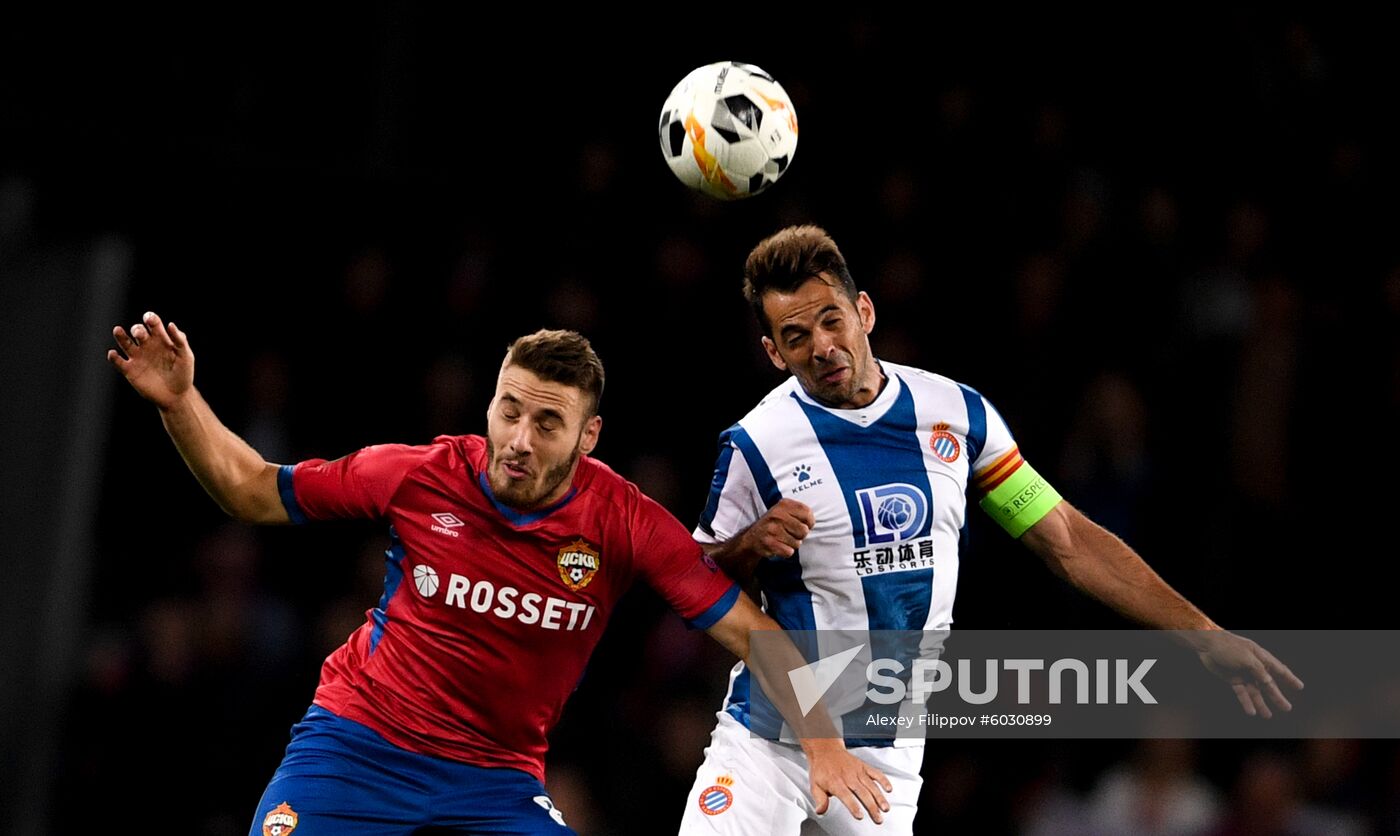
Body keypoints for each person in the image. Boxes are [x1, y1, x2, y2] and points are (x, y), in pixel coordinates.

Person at [107, 312, 892, 836]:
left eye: (546, 422)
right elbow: (250, 489)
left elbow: (756, 636)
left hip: (494, 783)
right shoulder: (418, 475)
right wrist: (180, 402)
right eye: (508, 410)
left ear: (589, 437)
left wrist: (823, 745)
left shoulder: (624, 521)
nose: (518, 437)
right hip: (354, 749)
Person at [676, 225, 1304, 835]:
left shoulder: (957, 416)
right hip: (770, 739)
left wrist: (1200, 633)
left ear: (863, 311)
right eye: (795, 335)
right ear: (772, 352)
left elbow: (1066, 540)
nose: (821, 346)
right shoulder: (756, 443)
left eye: (831, 320)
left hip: (887, 753)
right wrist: (746, 547)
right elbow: (694, 587)